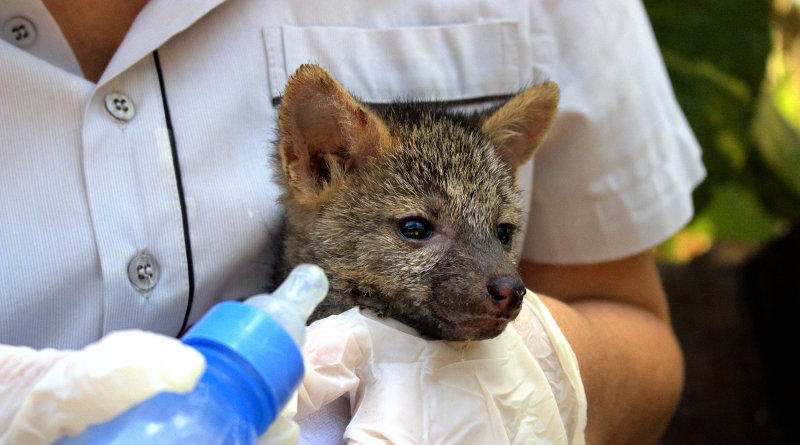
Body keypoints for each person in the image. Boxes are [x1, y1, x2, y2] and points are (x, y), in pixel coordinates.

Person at [0, 0, 706, 444]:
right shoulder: (340, 158)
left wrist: (549, 378)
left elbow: (636, 328)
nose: (503, 281)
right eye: (415, 230)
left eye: (498, 234)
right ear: (317, 162)